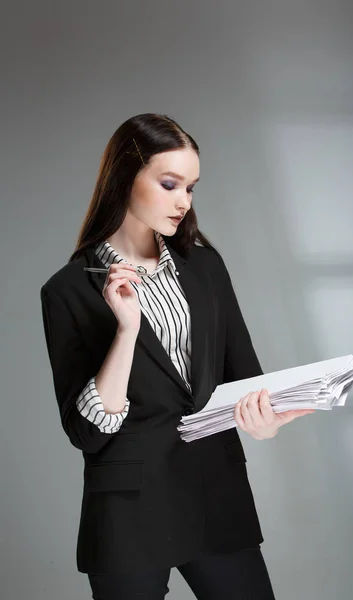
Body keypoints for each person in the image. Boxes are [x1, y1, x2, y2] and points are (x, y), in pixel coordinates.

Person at [40, 113, 315, 599]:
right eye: (170, 184)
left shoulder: (205, 266)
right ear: (126, 178)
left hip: (216, 495)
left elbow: (245, 378)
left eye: (191, 187)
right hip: (128, 511)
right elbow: (86, 431)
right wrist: (126, 329)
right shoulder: (67, 291)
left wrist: (265, 419)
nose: (183, 201)